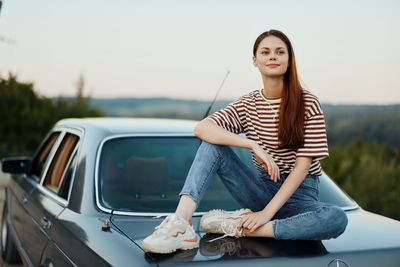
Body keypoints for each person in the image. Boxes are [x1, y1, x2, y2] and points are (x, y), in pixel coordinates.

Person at [141, 29, 348, 254]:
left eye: (280, 52)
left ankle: (238, 227)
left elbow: (302, 167)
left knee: (336, 218)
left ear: (289, 60)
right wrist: (251, 145)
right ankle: (181, 224)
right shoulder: (248, 104)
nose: (272, 56)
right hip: (260, 190)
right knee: (212, 145)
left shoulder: (308, 103)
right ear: (255, 61)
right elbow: (203, 128)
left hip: (300, 198)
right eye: (265, 52)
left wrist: (265, 215)